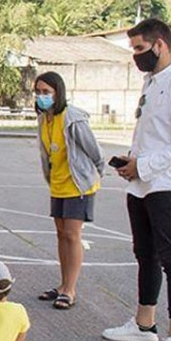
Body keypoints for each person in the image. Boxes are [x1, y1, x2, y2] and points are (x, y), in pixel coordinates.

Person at [103, 18, 171, 341]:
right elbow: (151, 134)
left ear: (160, 45)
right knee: (145, 253)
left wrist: (143, 166)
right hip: (142, 182)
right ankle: (144, 323)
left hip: (167, 184)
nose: (136, 56)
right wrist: (132, 162)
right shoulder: (151, 80)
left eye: (140, 49)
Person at [33, 71, 105, 310]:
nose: (42, 96)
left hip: (78, 185)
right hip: (58, 184)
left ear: (58, 92)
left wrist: (98, 171)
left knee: (73, 235)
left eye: (47, 92)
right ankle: (62, 285)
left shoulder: (72, 118)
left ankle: (70, 290)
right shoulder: (44, 119)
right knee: (61, 234)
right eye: (39, 92)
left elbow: (93, 149)